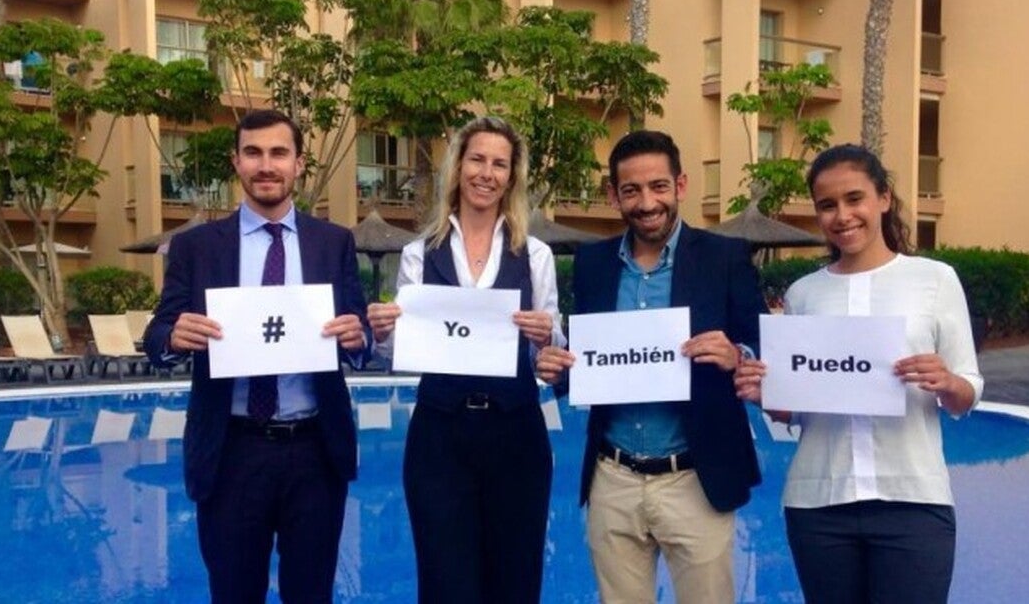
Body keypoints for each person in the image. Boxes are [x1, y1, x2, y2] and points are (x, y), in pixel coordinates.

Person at [734, 143, 983, 604]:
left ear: (883, 198)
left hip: (913, 500)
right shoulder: (803, 294)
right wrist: (766, 393)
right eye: (827, 205)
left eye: (854, 199)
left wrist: (948, 382)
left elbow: (967, 392)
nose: (842, 215)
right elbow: (795, 411)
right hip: (818, 503)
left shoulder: (935, 280)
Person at [144, 109, 369, 603]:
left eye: (278, 153)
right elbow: (157, 334)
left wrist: (359, 337)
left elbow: (359, 327)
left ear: (299, 163)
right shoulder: (195, 247)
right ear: (236, 162)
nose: (266, 165)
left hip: (315, 451)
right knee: (233, 594)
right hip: (231, 452)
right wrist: (172, 336)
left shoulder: (334, 243)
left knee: (311, 594)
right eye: (253, 153)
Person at [535, 130, 767, 603]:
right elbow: (592, 358)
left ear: (680, 185)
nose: (646, 203)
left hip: (696, 478)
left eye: (658, 186)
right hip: (613, 477)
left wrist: (737, 356)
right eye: (631, 190)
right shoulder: (593, 263)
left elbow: (763, 348)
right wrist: (559, 368)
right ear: (613, 195)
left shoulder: (725, 257)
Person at [365, 117, 562, 604]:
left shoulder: (535, 255)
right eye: (477, 160)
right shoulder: (419, 253)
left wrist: (546, 337)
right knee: (444, 583)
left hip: (516, 435)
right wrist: (384, 332)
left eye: (499, 164)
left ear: (511, 177)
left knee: (516, 582)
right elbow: (401, 350)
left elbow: (549, 354)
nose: (486, 173)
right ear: (457, 167)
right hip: (440, 438)